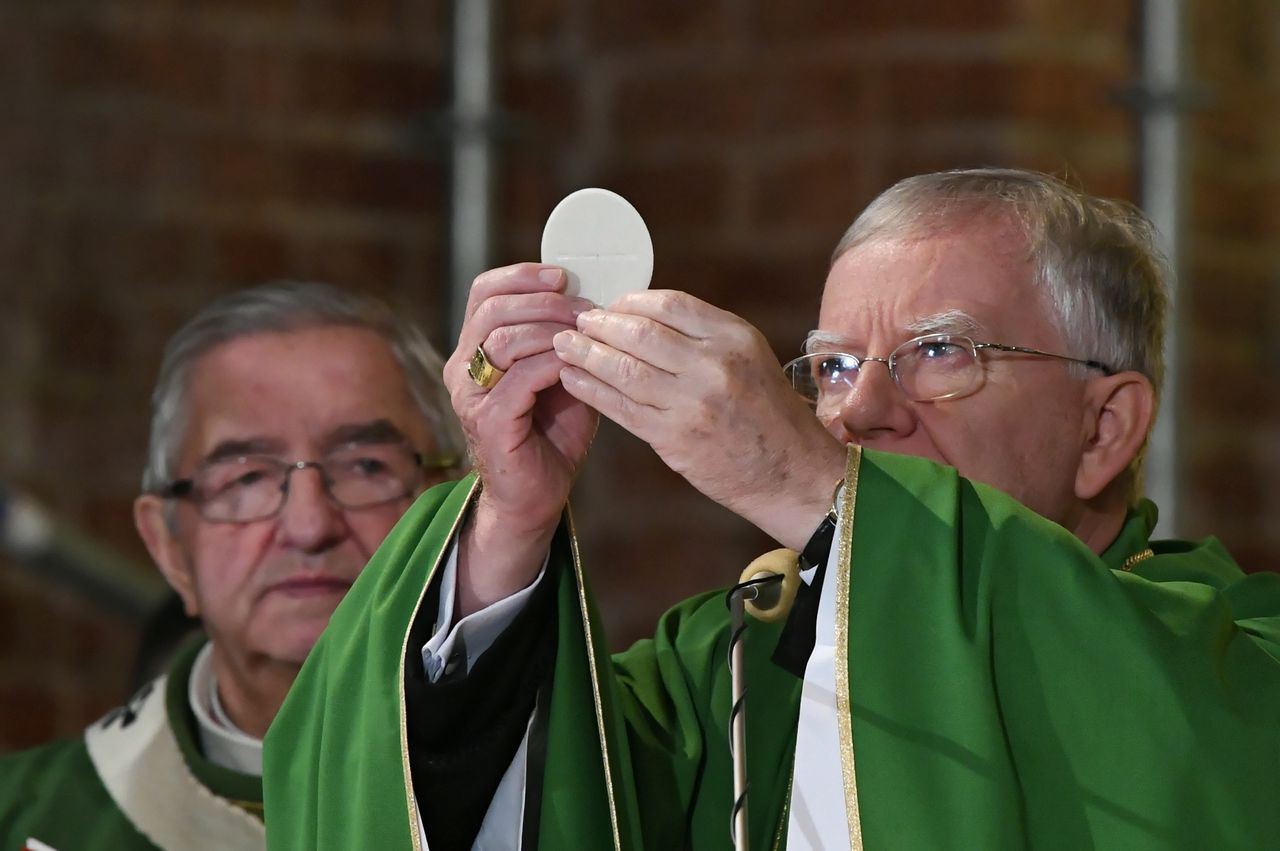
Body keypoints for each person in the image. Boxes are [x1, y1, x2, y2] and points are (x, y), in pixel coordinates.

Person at [264, 170, 1280, 850]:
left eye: (938, 352)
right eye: (831, 364)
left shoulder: (1232, 665)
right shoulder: (732, 665)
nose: (858, 409)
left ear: (1104, 428)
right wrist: (508, 521)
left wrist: (804, 482)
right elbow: (525, 800)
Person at [0, 282, 465, 851]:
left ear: (455, 503)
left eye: (366, 466)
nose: (309, 525)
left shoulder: (557, 786)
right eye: (244, 478)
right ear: (169, 548)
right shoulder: (28, 821)